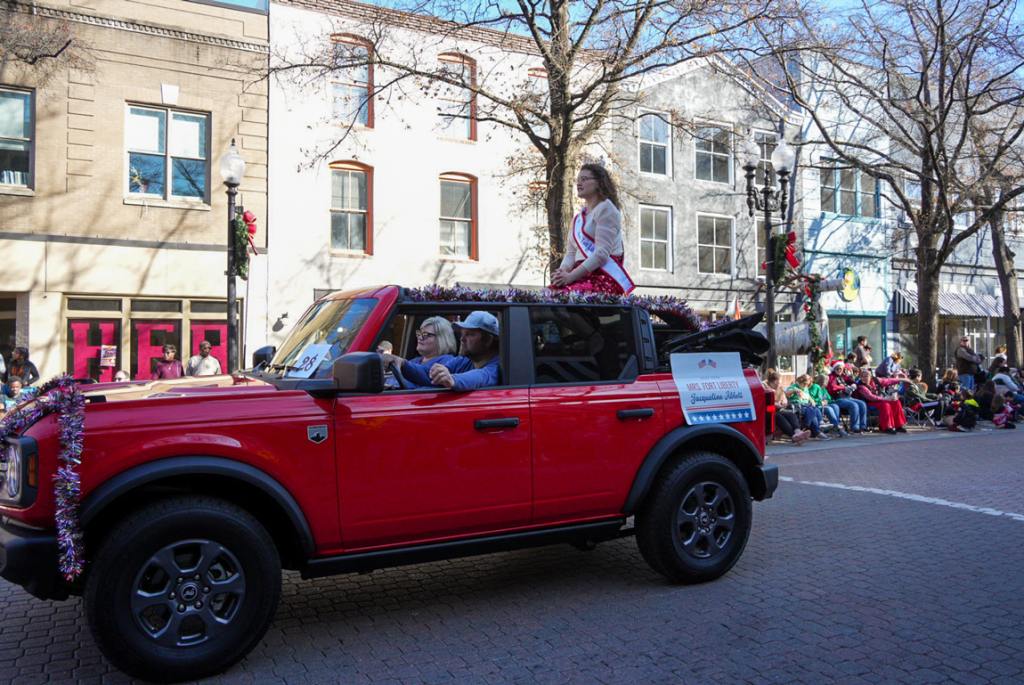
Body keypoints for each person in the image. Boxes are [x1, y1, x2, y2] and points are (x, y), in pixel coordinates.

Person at [551, 163, 635, 295]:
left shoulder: (607, 209)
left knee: (561, 298)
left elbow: (601, 254)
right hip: (578, 275)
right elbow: (571, 253)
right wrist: (563, 272)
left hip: (601, 277)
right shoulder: (578, 219)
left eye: (584, 179)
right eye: (578, 180)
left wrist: (570, 277)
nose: (579, 183)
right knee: (544, 296)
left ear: (599, 183)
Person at [400, 311, 501, 391]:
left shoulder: (497, 366)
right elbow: (430, 375)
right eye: (462, 334)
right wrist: (402, 363)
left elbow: (481, 376)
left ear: (488, 340)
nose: (462, 339)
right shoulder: (464, 361)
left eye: (470, 334)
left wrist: (452, 379)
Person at [762, 369, 810, 444]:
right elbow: (764, 401)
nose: (780, 383)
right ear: (775, 381)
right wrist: (775, 404)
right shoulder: (764, 386)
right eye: (779, 381)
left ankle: (797, 431)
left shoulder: (779, 388)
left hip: (777, 409)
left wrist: (784, 402)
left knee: (790, 414)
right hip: (767, 409)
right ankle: (794, 435)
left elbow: (784, 398)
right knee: (777, 416)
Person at [853, 367, 908, 433]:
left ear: (870, 377)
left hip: (879, 401)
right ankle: (886, 427)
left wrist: (901, 379)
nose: (864, 378)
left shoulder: (875, 381)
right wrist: (885, 398)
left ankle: (898, 426)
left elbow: (888, 381)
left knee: (896, 402)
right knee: (885, 405)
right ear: (860, 377)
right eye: (862, 376)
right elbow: (870, 397)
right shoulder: (861, 386)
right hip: (869, 404)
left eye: (867, 376)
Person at [826, 362, 869, 433]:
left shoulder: (843, 376)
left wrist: (853, 385)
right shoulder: (831, 377)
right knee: (854, 405)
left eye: (841, 368)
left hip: (848, 397)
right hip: (838, 398)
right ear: (834, 369)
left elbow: (852, 381)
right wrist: (843, 388)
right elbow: (832, 387)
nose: (839, 370)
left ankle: (863, 426)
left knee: (862, 404)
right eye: (838, 368)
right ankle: (855, 427)